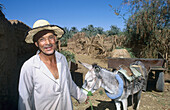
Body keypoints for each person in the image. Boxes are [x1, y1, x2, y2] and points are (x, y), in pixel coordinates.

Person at [18, 19, 87, 110]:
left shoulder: (62, 59)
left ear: (55, 39)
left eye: (50, 37)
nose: (48, 43)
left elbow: (69, 83)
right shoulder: (29, 66)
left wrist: (82, 97)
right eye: (42, 39)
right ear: (36, 44)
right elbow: (24, 99)